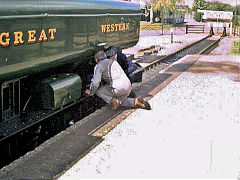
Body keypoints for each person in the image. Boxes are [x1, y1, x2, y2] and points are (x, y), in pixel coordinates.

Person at [85, 50, 151, 111]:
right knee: (121, 102)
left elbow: (95, 83)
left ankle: (112, 100)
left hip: (118, 88)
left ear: (96, 60)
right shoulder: (113, 61)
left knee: (98, 91)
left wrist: (91, 92)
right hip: (128, 86)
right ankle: (136, 102)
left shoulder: (99, 65)